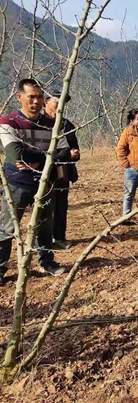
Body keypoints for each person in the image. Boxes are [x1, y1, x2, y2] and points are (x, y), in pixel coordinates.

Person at [0, 79, 71, 281]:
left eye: (40, 97)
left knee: (45, 227)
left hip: (45, 184)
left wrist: (38, 160)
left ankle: (46, 261)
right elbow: (15, 154)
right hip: (17, 183)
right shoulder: (9, 122)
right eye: (31, 96)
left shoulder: (53, 124)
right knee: (7, 228)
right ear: (19, 97)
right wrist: (47, 156)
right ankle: (0, 268)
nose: (36, 101)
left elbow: (65, 152)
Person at [44, 89, 80, 249]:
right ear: (45, 102)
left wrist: (74, 153)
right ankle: (44, 241)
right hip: (43, 171)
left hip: (63, 171)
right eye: (56, 101)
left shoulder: (67, 124)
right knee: (45, 205)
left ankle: (59, 237)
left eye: (62, 102)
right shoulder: (39, 123)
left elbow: (75, 149)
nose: (60, 105)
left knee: (61, 205)